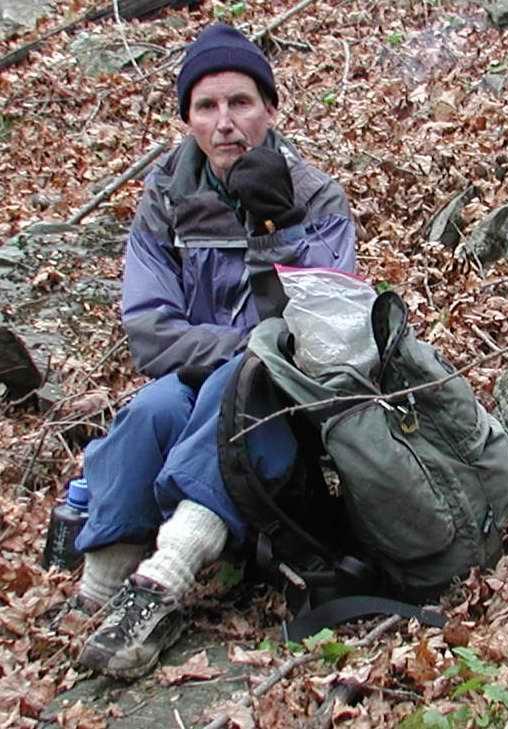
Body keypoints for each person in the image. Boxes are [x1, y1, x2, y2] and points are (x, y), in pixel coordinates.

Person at [75, 22, 357, 679]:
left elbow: (319, 334)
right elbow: (149, 328)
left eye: (240, 102)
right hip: (193, 385)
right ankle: (102, 583)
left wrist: (275, 229)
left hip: (284, 408)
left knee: (240, 383)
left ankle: (163, 580)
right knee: (153, 407)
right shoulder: (165, 199)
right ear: (188, 119)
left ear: (270, 110)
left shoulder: (314, 197)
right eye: (206, 106)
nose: (224, 122)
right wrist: (237, 349)